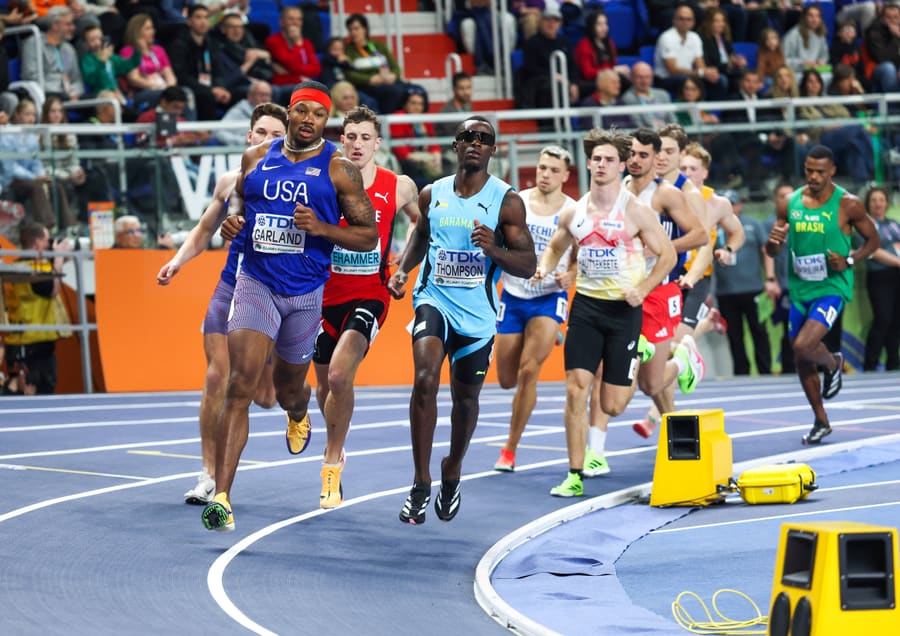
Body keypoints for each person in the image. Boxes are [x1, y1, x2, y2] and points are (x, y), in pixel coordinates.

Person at [199, 80, 378, 532]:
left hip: (304, 294)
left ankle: (297, 414)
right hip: (256, 282)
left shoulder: (339, 170)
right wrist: (233, 221)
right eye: (301, 111)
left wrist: (321, 227)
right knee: (239, 385)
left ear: (326, 121)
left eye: (317, 115)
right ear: (290, 113)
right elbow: (240, 200)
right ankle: (221, 497)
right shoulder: (256, 158)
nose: (307, 120)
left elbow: (368, 234)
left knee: (287, 390)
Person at [387, 116, 535, 524]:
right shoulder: (431, 193)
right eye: (468, 137)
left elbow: (528, 265)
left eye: (483, 139)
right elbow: (421, 236)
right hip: (433, 299)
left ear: (492, 149)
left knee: (465, 400)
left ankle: (451, 470)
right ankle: (420, 483)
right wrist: (403, 269)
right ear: (455, 145)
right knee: (425, 378)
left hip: (478, 316)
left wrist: (495, 250)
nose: (475, 143)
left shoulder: (506, 201)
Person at [156, 102, 287, 505]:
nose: (267, 141)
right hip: (233, 285)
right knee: (217, 378)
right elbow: (204, 228)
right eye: (261, 133)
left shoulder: (302, 183)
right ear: (249, 137)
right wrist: (177, 261)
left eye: (276, 135)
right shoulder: (231, 181)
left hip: (279, 292)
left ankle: (281, 386)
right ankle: (209, 475)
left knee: (266, 396)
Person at [536, 129, 677, 497]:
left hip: (624, 312)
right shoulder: (575, 211)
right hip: (585, 308)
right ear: (589, 163)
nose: (601, 165)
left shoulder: (635, 210)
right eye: (596, 159)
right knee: (575, 389)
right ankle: (574, 473)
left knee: (612, 403)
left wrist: (643, 290)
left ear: (621, 164)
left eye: (609, 160)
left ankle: (642, 352)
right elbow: (555, 246)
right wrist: (545, 267)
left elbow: (668, 255)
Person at [312, 105, 420, 509]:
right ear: (342, 140)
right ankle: (335, 439)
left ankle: (331, 464)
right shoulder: (327, 179)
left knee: (340, 376)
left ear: (378, 143)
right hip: (323, 295)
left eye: (365, 138)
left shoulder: (399, 185)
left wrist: (403, 268)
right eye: (350, 136)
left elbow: (419, 224)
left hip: (370, 295)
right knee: (324, 388)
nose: (357, 144)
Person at [765, 144, 880, 445]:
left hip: (832, 287)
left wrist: (850, 259)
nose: (813, 176)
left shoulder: (849, 204)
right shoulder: (790, 203)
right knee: (800, 357)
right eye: (809, 170)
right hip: (800, 288)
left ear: (832, 172)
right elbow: (773, 248)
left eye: (820, 172)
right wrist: (773, 244)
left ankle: (832, 363)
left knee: (804, 345)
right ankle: (821, 420)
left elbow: (874, 240)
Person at [492, 145, 576, 473]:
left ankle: (510, 448)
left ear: (566, 176)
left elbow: (583, 252)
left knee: (529, 372)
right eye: (542, 168)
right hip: (513, 296)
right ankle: (550, 333)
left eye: (554, 170)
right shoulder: (518, 202)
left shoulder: (573, 210)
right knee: (506, 380)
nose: (546, 174)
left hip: (548, 296)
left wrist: (570, 274)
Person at [623, 127, 707, 440]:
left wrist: (664, 249)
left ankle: (684, 360)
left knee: (650, 381)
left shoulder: (680, 192)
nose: (637, 159)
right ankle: (675, 435)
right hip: (628, 288)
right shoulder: (621, 189)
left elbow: (702, 238)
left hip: (664, 285)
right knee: (648, 381)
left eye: (670, 152)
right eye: (632, 153)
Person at [2, 222, 72, 395]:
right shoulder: (34, 271)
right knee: (36, 395)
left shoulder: (17, 267)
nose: (50, 244)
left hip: (22, 341)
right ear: (37, 244)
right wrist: (58, 259)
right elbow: (52, 290)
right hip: (34, 344)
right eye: (47, 240)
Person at [714, 189, 775, 375]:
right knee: (734, 336)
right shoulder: (713, 227)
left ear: (740, 204)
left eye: (734, 203)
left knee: (759, 331)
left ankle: (766, 372)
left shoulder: (753, 224)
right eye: (728, 204)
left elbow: (767, 252)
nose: (732, 208)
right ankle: (741, 374)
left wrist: (771, 279)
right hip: (726, 291)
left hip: (754, 289)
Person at [0, 98, 74, 229]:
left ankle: (67, 228)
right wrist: (33, 177)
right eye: (27, 114)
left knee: (55, 186)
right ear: (17, 115)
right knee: (37, 187)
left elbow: (36, 161)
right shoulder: (6, 134)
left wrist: (41, 176)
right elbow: (10, 167)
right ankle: (47, 226)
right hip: (11, 180)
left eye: (33, 115)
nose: (31, 118)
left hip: (29, 179)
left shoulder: (32, 137)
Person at [167, 4, 233, 121]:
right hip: (191, 87)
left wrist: (221, 88)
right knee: (207, 96)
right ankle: (205, 135)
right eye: (198, 17)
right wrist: (211, 90)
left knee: (236, 94)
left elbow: (218, 72)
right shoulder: (179, 44)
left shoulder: (211, 44)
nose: (203, 21)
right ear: (189, 21)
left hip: (210, 87)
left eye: (206, 17)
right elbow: (181, 75)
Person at [861, 186, 900, 371]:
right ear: (868, 204)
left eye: (881, 200)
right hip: (879, 276)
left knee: (896, 320)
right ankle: (870, 363)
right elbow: (873, 251)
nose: (878, 203)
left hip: (896, 277)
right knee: (882, 319)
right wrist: (897, 261)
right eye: (874, 200)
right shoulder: (865, 225)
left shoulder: (894, 224)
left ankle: (893, 362)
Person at [20, 6, 85, 102]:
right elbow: (30, 76)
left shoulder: (69, 49)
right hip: (45, 93)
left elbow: (77, 80)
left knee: (101, 101)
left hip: (68, 94)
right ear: (55, 25)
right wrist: (60, 91)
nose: (73, 28)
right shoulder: (34, 43)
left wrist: (74, 93)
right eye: (68, 24)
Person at [119, 13, 179, 113]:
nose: (153, 31)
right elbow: (134, 79)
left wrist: (170, 88)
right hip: (141, 91)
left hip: (162, 88)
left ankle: (186, 127)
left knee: (185, 93)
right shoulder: (128, 51)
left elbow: (170, 75)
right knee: (163, 96)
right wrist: (156, 86)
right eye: (148, 28)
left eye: (152, 28)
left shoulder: (159, 50)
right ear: (137, 31)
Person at [265, 5, 321, 88]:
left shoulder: (306, 43)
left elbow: (316, 69)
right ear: (281, 22)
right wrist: (297, 43)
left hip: (303, 85)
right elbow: (290, 63)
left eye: (299, 19)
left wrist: (291, 71)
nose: (295, 23)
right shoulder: (273, 40)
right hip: (283, 86)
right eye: (291, 19)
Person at [214, 79, 274, 146]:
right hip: (241, 153)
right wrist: (243, 141)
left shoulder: (274, 113)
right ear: (250, 96)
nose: (265, 99)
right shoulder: (238, 112)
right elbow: (218, 132)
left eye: (268, 95)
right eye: (262, 95)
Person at [620, 61, 675, 131]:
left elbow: (672, 120)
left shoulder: (663, 94)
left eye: (647, 77)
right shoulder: (627, 97)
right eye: (640, 77)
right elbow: (637, 125)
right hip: (645, 137)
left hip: (666, 133)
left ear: (652, 78)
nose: (644, 81)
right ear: (631, 78)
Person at [434, 71, 473, 139]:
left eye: (468, 87)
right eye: (461, 88)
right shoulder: (446, 111)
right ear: (454, 89)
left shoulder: (467, 106)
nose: (466, 92)